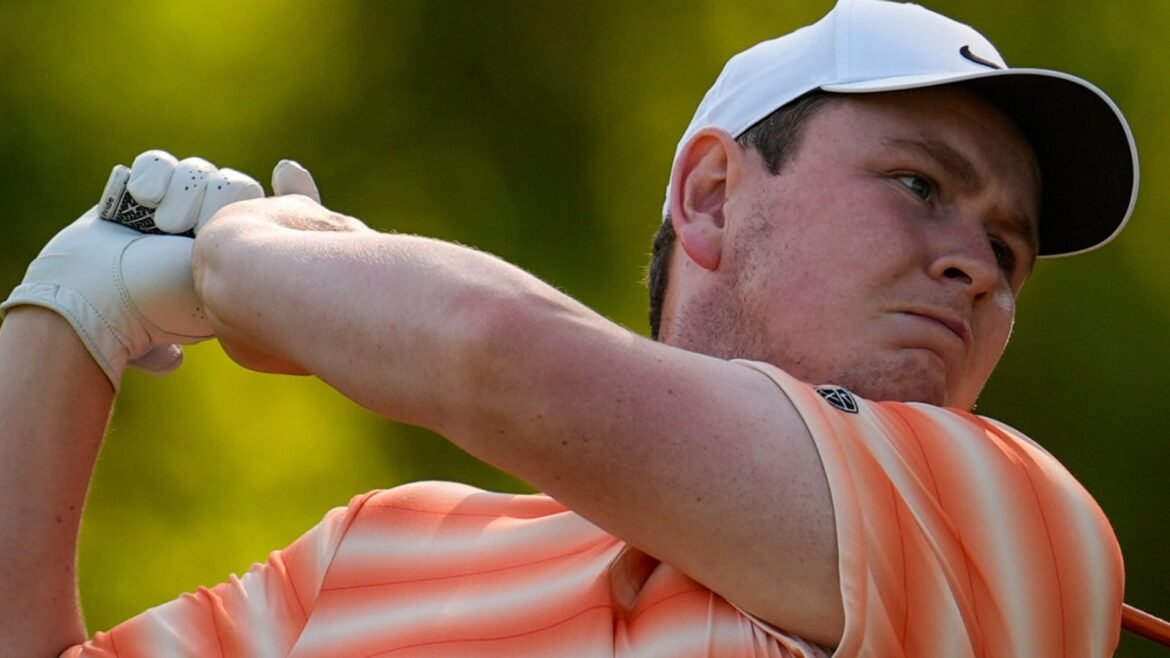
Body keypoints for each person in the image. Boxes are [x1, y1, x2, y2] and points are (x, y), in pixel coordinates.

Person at [0, 0, 1141, 656]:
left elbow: (496, 354)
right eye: (922, 185)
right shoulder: (376, 552)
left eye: (1008, 249)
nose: (974, 266)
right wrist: (69, 312)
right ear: (709, 198)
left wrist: (249, 251)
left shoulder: (1016, 531)